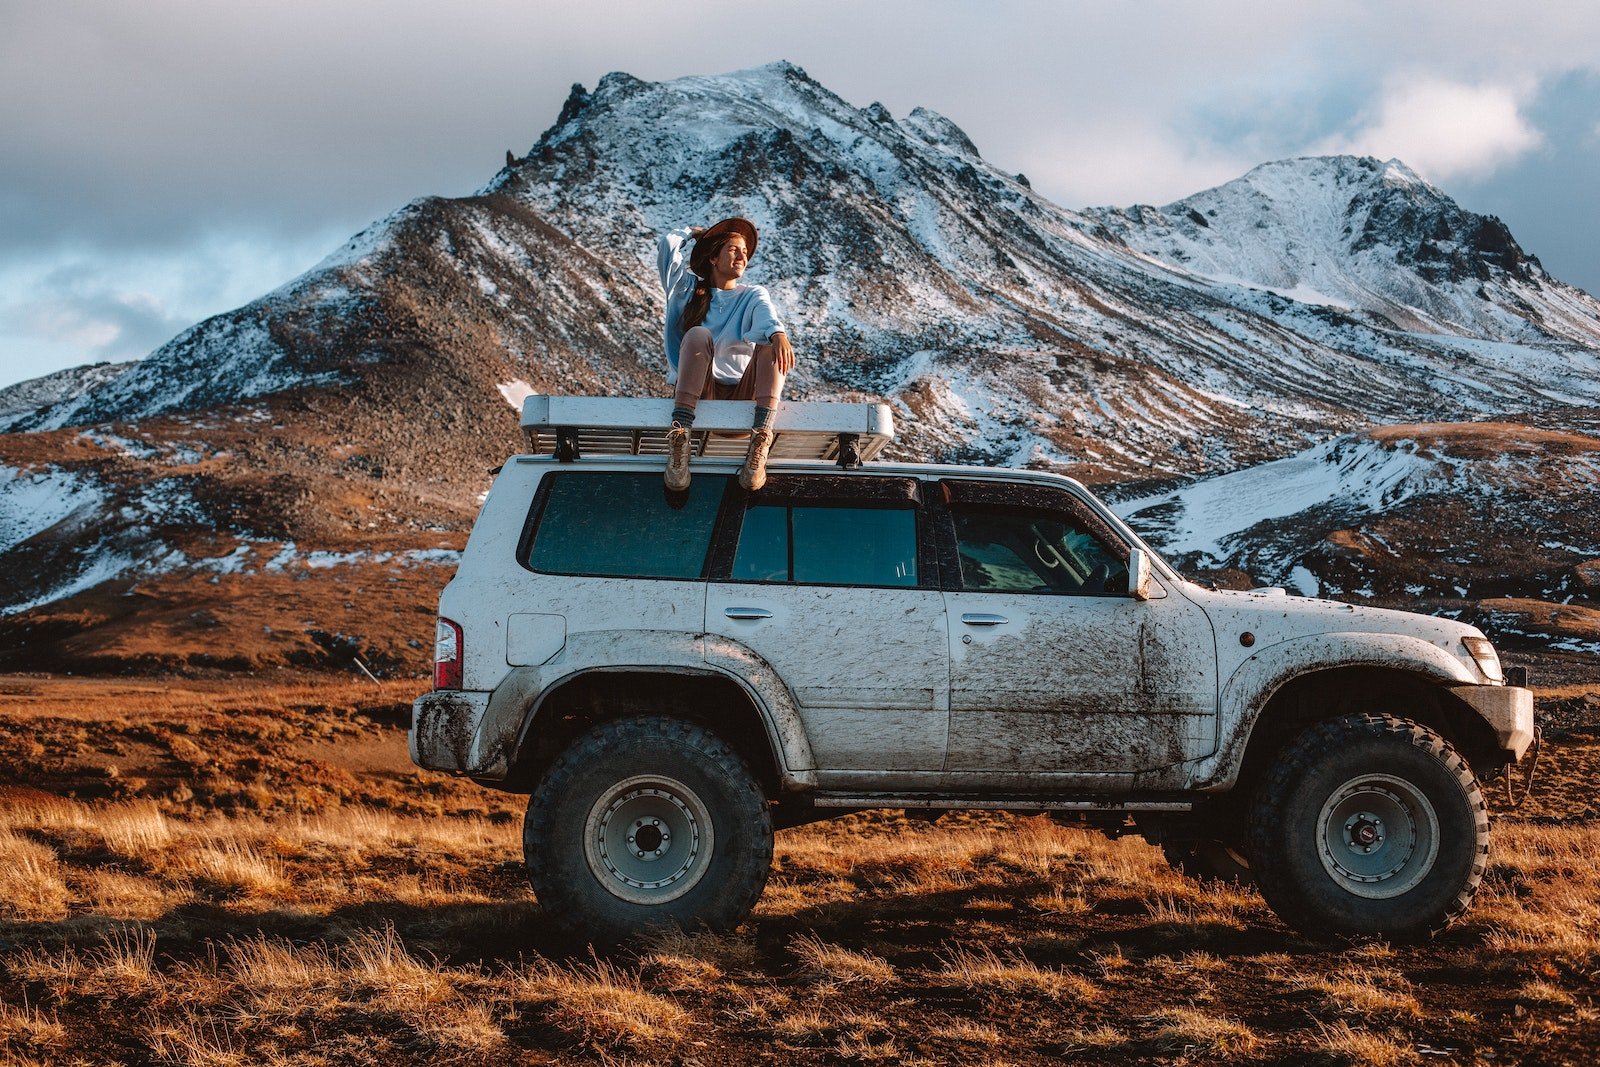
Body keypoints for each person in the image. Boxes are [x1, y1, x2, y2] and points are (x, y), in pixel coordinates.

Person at [657, 217, 795, 491]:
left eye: (745, 252)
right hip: (700, 396)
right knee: (698, 334)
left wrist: (778, 334)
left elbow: (766, 316)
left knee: (770, 340)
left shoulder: (752, 295)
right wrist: (693, 233)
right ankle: (680, 440)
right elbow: (666, 248)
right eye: (733, 249)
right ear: (713, 258)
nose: (742, 256)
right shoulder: (687, 289)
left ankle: (760, 443)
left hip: (742, 396)